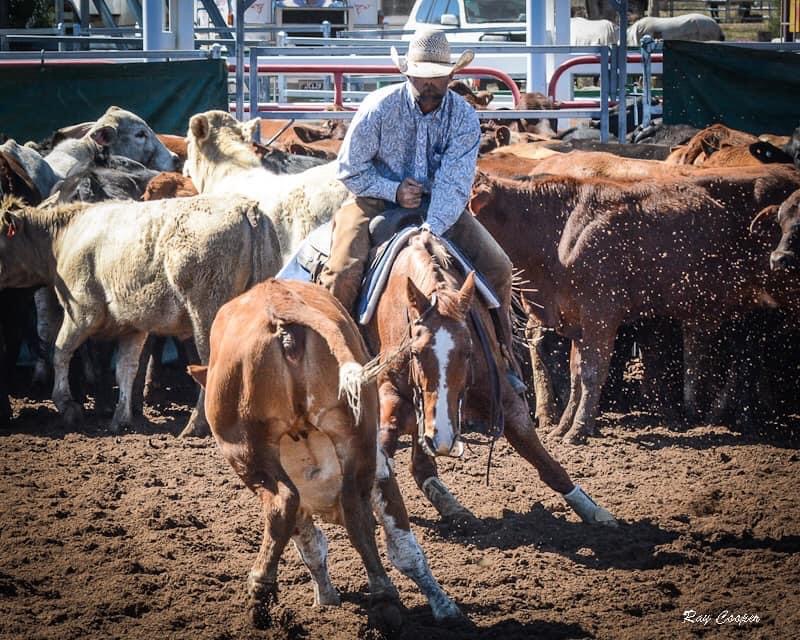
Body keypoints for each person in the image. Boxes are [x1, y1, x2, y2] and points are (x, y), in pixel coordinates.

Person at [318, 27, 526, 393]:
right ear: (407, 73)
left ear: (450, 75)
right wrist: (393, 190)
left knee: (499, 268)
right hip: (372, 200)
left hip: (439, 204)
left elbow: (455, 182)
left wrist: (433, 227)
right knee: (342, 272)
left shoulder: (462, 116)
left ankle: (503, 356)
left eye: (437, 76)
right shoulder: (379, 107)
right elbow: (349, 170)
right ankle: (333, 362)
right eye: (422, 75)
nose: (429, 83)